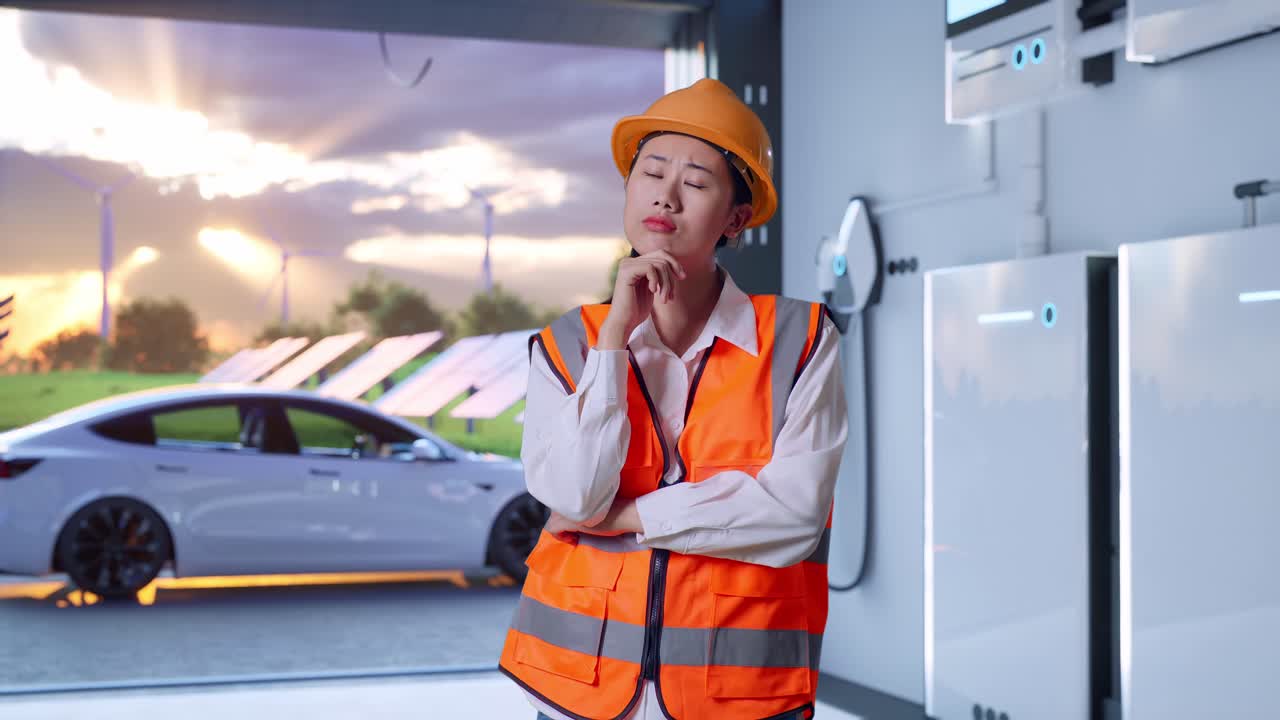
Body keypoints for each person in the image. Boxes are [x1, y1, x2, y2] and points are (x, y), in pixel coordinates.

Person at [499, 78, 848, 720]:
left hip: (739, 692)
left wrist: (626, 519)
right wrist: (611, 346)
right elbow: (574, 497)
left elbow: (793, 515)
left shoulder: (801, 340)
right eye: (650, 172)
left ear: (736, 218)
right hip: (575, 681)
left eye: (695, 180)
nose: (665, 192)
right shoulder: (565, 344)